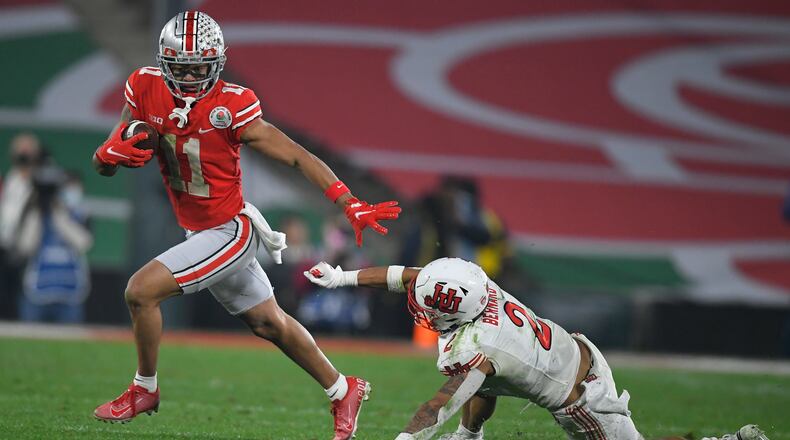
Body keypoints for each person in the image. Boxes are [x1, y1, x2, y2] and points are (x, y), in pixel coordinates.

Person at [90, 11, 401, 440]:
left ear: (217, 63)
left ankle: (144, 389)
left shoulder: (231, 104)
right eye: (182, 68)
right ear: (164, 63)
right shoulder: (144, 87)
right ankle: (343, 387)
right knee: (268, 323)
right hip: (197, 232)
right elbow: (105, 156)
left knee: (140, 292)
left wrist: (348, 202)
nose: (192, 76)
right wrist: (109, 155)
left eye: (201, 67)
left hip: (229, 231)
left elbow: (295, 154)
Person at [303, 258, 770, 440]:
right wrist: (342, 277)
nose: (415, 298)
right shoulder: (475, 286)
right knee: (485, 381)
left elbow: (441, 402)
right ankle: (471, 439)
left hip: (580, 397)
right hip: (568, 350)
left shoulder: (482, 347)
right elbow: (411, 276)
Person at [15, 164, 92, 323]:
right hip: (37, 292)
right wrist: (38, 212)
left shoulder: (76, 213)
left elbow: (84, 243)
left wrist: (58, 214)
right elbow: (25, 246)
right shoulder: (34, 213)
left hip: (70, 292)